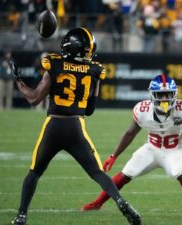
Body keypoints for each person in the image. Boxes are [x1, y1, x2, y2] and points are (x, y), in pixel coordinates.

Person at [9, 27, 141, 225]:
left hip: (53, 125)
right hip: (76, 127)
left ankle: (21, 215)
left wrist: (18, 81)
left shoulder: (54, 64)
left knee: (34, 173)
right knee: (97, 173)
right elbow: (90, 110)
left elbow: (35, 98)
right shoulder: (94, 69)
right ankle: (121, 201)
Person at [82, 74, 182, 212]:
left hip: (175, 150)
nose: (165, 99)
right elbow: (130, 133)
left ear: (175, 94)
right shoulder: (143, 110)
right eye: (160, 95)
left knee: (181, 173)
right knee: (127, 173)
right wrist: (113, 156)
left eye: (168, 94)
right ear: (152, 95)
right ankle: (98, 203)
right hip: (152, 149)